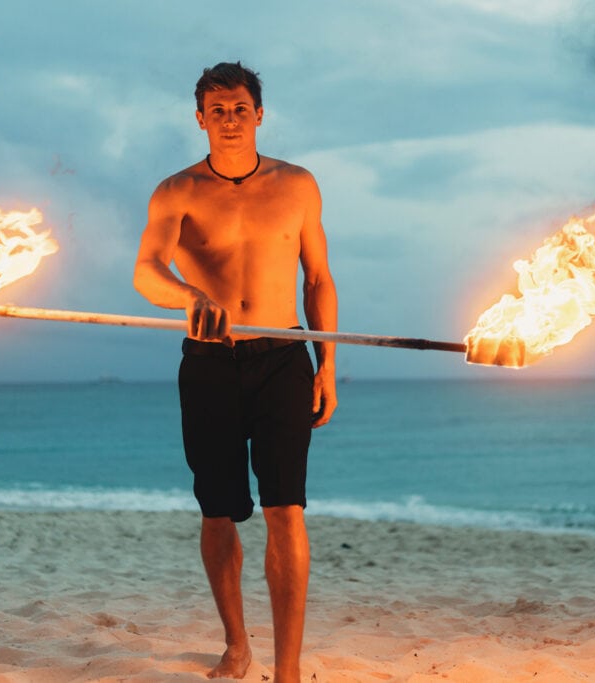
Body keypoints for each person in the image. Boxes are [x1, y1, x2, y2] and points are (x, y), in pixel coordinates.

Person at [133, 61, 338, 682]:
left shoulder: (298, 185)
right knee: (218, 510)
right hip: (210, 364)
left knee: (287, 509)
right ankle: (236, 645)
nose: (229, 119)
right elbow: (147, 270)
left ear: (258, 114)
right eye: (216, 110)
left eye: (239, 108)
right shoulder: (177, 192)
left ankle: (288, 672)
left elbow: (318, 278)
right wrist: (188, 297)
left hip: (283, 358)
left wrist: (327, 361)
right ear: (200, 118)